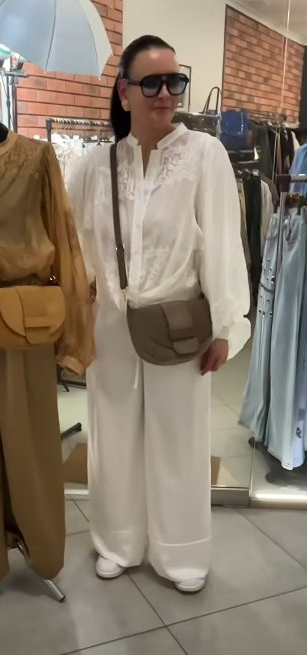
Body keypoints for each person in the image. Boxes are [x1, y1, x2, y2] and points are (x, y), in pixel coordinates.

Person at [68, 35, 250, 593]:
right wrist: (76, 310)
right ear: (124, 92)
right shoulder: (94, 165)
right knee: (113, 435)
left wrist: (225, 326)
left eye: (175, 82)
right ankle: (117, 541)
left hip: (179, 324)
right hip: (111, 323)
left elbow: (222, 244)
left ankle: (180, 553)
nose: (165, 93)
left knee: (179, 439)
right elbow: (75, 245)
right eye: (151, 83)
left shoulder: (204, 155)